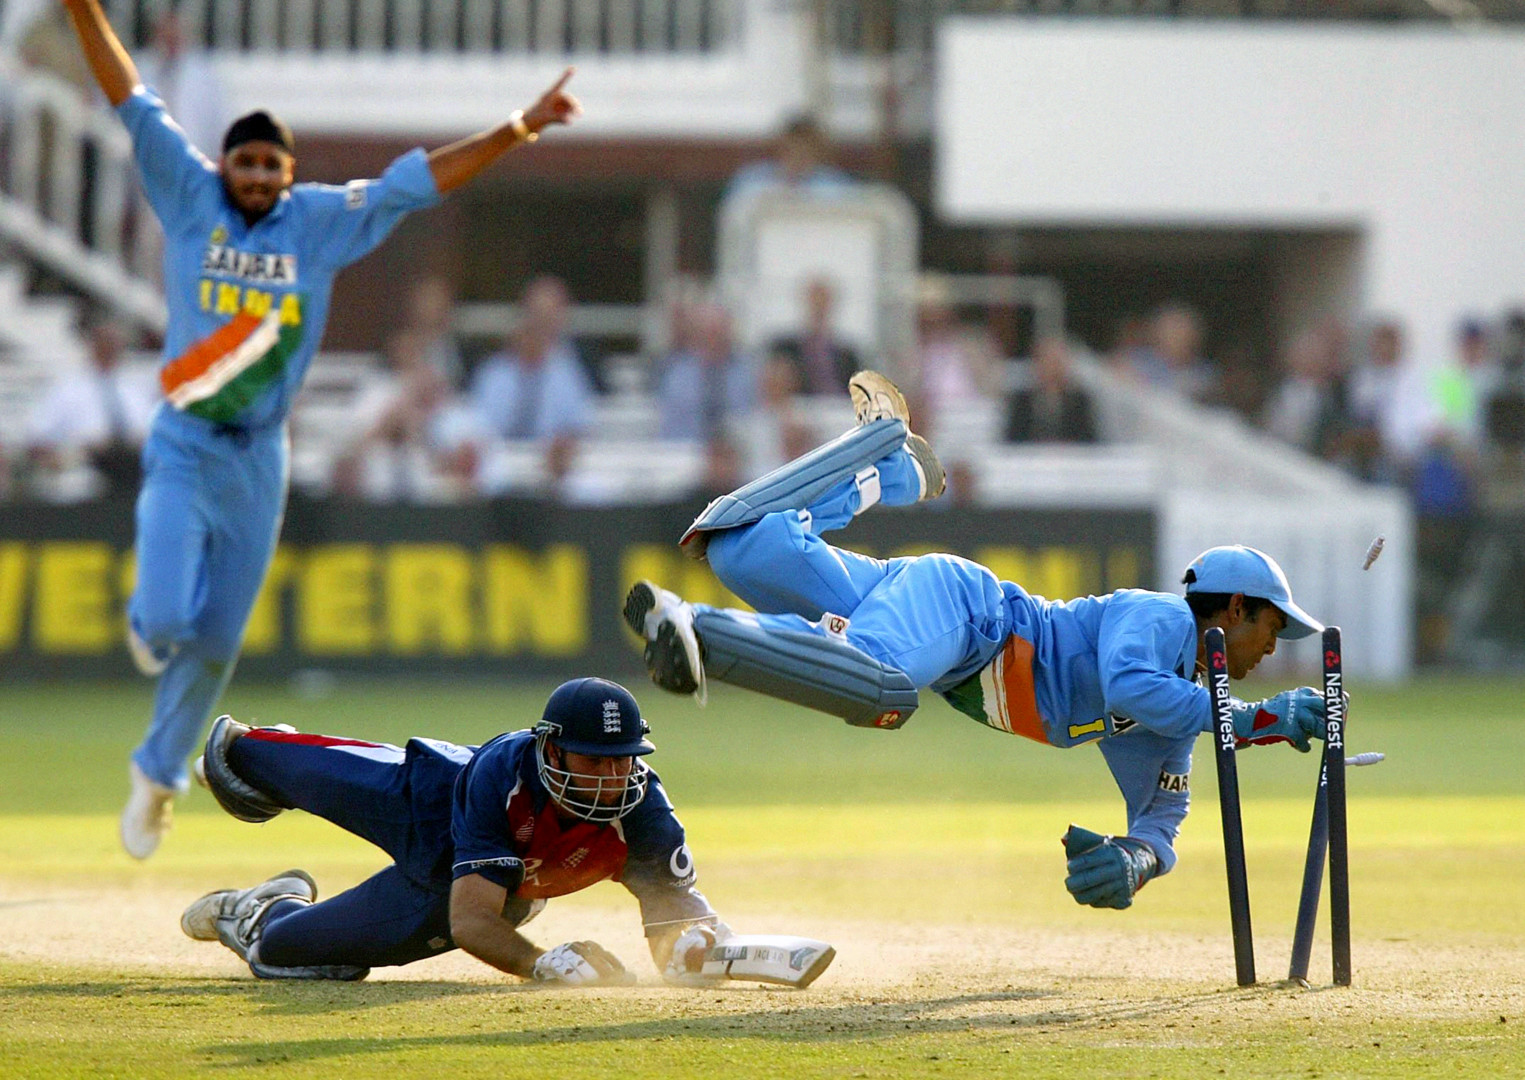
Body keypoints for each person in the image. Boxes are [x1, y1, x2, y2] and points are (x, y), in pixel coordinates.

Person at [60, 0, 582, 858]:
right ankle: (151, 647)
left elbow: (419, 178)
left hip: (260, 457)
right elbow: (127, 88)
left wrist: (522, 125)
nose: (258, 178)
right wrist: (84, 10)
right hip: (188, 440)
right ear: (222, 163)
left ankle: (157, 775)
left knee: (219, 639)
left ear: (291, 171)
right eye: (245, 163)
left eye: (272, 165)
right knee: (159, 620)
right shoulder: (189, 192)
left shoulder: (318, 219)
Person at [623, 371, 1334, 912]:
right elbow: (1126, 687)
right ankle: (700, 627)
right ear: (1235, 608)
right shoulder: (1162, 621)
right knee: (879, 687)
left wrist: (1136, 864)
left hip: (942, 624)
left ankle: (883, 467)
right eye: (1271, 627)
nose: (1271, 649)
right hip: (970, 617)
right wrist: (1253, 721)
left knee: (740, 550)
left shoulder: (1176, 712)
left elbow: (1163, 815)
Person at [181, 678, 735, 984]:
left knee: (283, 952)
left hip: (451, 883)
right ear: (552, 747)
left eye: (623, 759)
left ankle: (259, 910)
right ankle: (260, 755)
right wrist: (539, 963)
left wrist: (694, 944)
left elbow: (471, 917)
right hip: (428, 800)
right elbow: (475, 924)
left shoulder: (645, 809)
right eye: (594, 760)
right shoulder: (505, 772)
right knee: (236, 756)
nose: (612, 777)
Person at [24, 310, 157, 497]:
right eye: (104, 342)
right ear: (92, 345)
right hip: (88, 463)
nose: (110, 348)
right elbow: (37, 438)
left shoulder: (135, 386)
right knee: (81, 484)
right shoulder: (67, 388)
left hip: (133, 461)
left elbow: (151, 430)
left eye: (114, 342)